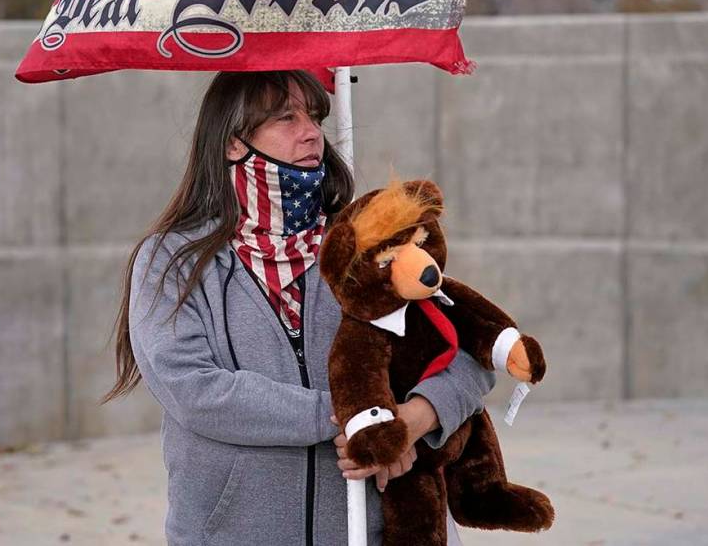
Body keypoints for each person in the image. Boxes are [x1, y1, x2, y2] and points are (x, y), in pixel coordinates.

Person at [104, 70, 497, 546]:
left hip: (374, 532)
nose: (311, 131)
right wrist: (356, 415)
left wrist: (411, 421)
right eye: (285, 118)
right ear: (232, 142)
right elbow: (193, 389)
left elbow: (471, 351)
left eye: (313, 116)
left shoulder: (366, 246)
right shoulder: (171, 260)